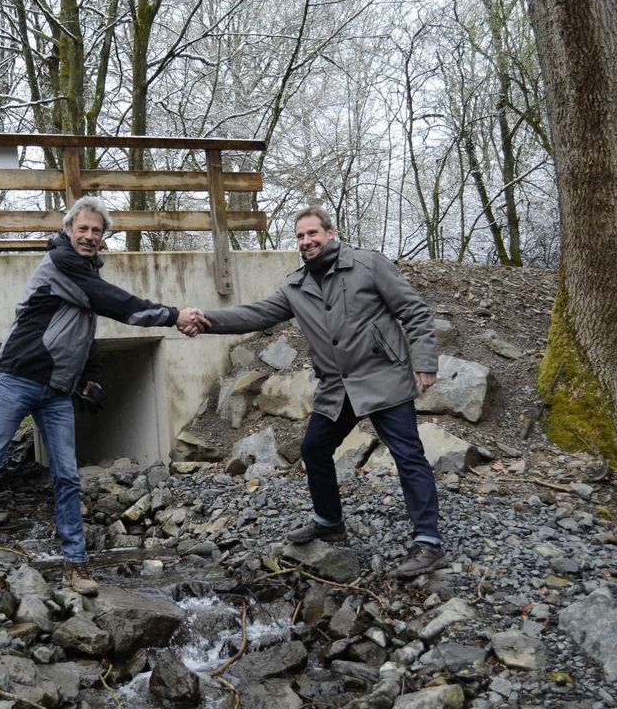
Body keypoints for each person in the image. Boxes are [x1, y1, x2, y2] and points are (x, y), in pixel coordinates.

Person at [0, 196, 204, 594]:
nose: (89, 236)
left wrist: (89, 377)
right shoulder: (61, 263)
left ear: (103, 238)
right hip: (17, 377)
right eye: (83, 229)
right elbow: (115, 304)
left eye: (96, 231)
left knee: (67, 476)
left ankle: (75, 565)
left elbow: (81, 329)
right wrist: (173, 315)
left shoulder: (84, 273)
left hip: (57, 389)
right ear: (68, 231)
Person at [182, 206, 447, 579]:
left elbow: (414, 311)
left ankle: (427, 542)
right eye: (300, 236)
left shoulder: (369, 264)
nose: (306, 242)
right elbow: (256, 314)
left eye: (312, 234)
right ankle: (328, 520)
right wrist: (207, 320)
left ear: (330, 232)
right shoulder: (295, 286)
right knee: (313, 449)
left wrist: (425, 362)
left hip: (382, 376)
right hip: (338, 386)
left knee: (408, 456)